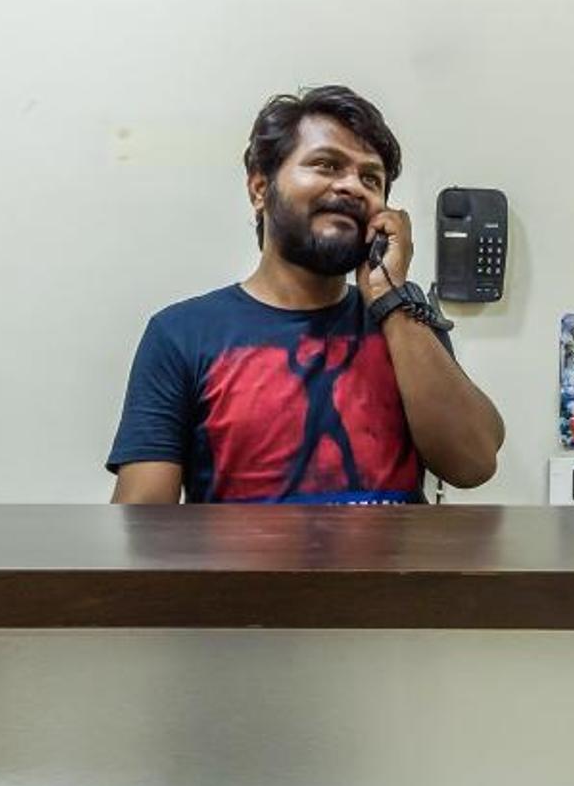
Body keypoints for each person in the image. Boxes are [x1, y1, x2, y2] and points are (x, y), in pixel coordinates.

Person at [107, 86, 505, 504]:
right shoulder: (181, 334)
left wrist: (391, 300)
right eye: (327, 165)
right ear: (260, 189)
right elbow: (142, 522)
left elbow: (473, 464)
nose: (353, 187)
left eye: (371, 178)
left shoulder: (404, 319)